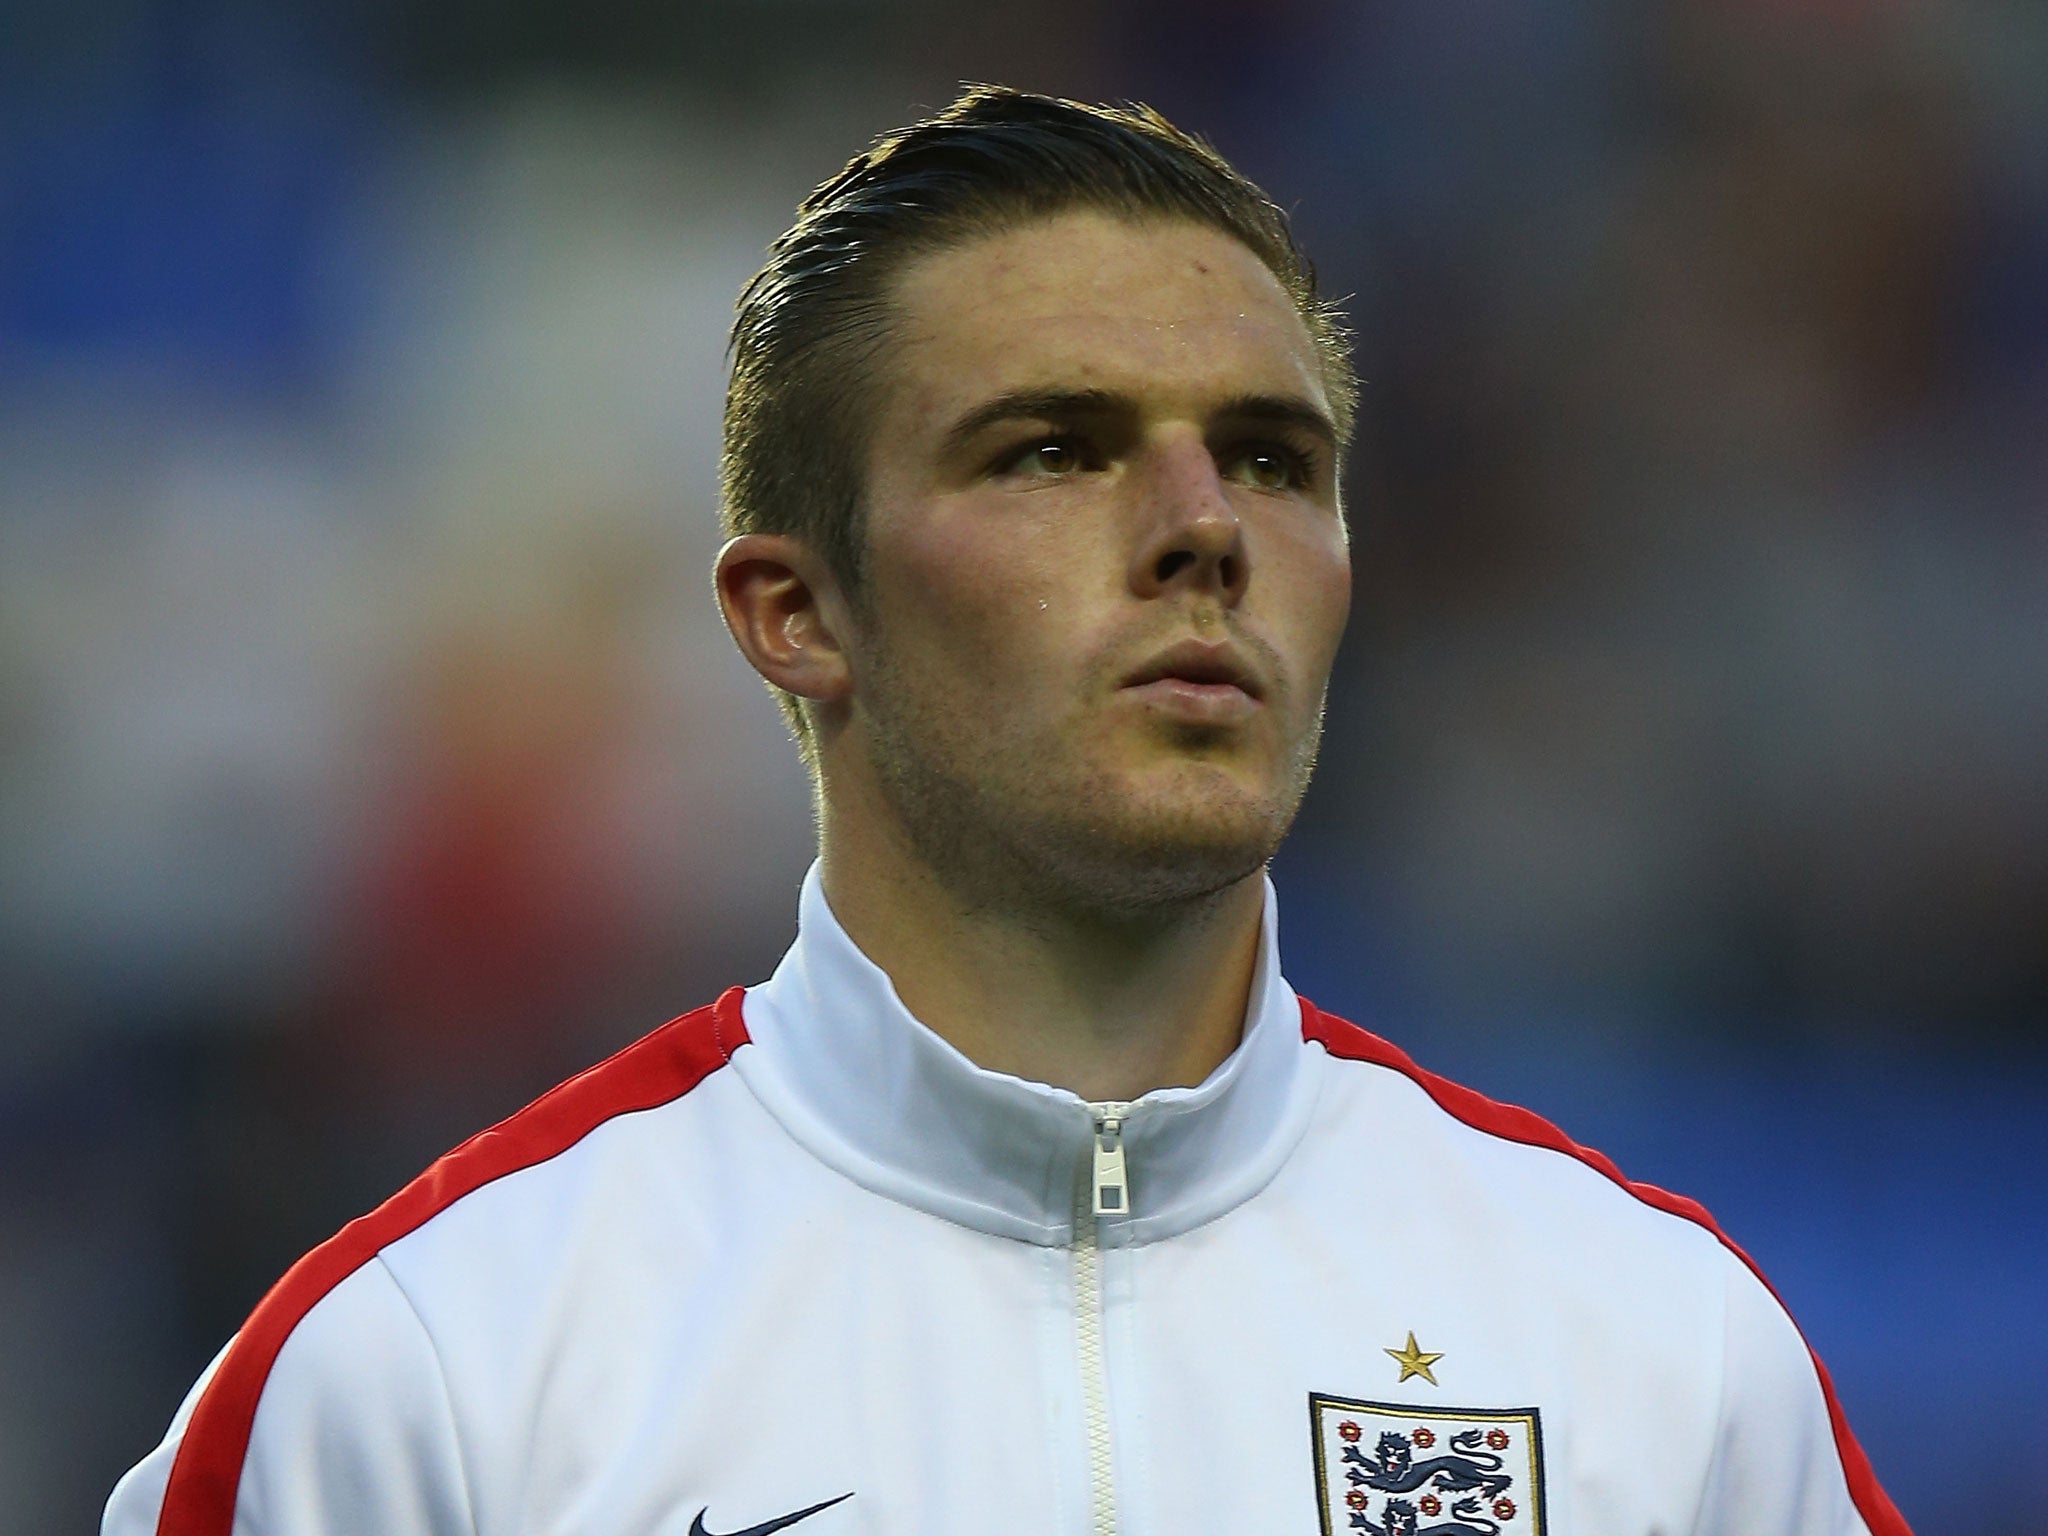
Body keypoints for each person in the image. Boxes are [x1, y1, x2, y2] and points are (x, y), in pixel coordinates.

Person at [105, 87, 1909, 1536]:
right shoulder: (430, 1374)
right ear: (795, 615)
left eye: (1274, 461)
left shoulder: (1658, 1359)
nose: (1206, 527)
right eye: (1054, 447)